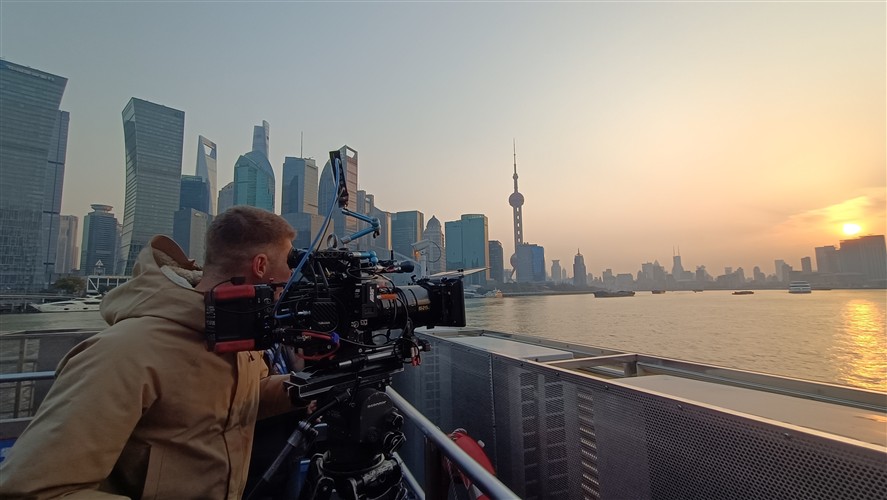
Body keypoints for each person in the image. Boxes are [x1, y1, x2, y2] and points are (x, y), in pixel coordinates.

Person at [0, 206, 308, 499]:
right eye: (289, 261)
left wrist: (307, 387)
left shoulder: (237, 338)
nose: (290, 276)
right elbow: (35, 490)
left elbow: (245, 398)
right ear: (261, 265)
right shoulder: (123, 352)